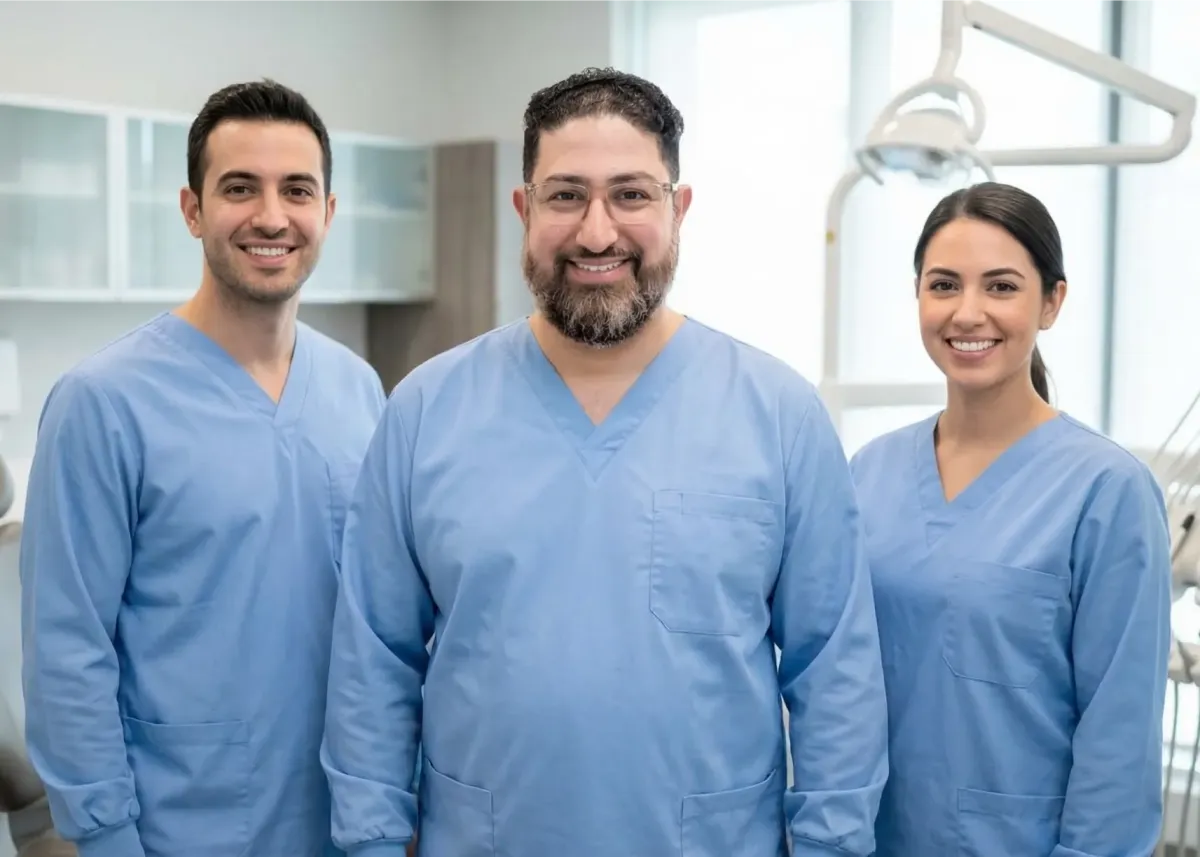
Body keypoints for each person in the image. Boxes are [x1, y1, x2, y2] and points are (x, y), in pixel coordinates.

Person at [320, 66, 889, 857]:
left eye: (631, 194)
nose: (597, 232)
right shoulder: (424, 411)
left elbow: (835, 671)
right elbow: (372, 665)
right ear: (522, 209)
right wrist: (373, 842)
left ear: (677, 209)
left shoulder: (778, 415)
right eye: (565, 196)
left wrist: (831, 846)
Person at [19, 79, 386, 857]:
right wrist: (108, 840)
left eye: (297, 189)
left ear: (328, 211)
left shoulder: (359, 388)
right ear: (193, 210)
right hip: (178, 828)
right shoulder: (104, 403)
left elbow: (380, 623)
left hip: (341, 824)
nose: (271, 216)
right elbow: (66, 654)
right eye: (239, 188)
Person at [850, 181, 1171, 856]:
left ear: (1051, 301)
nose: (968, 313)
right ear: (917, 297)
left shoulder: (1107, 491)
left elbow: (1118, 740)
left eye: (1000, 287)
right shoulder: (870, 472)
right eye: (943, 285)